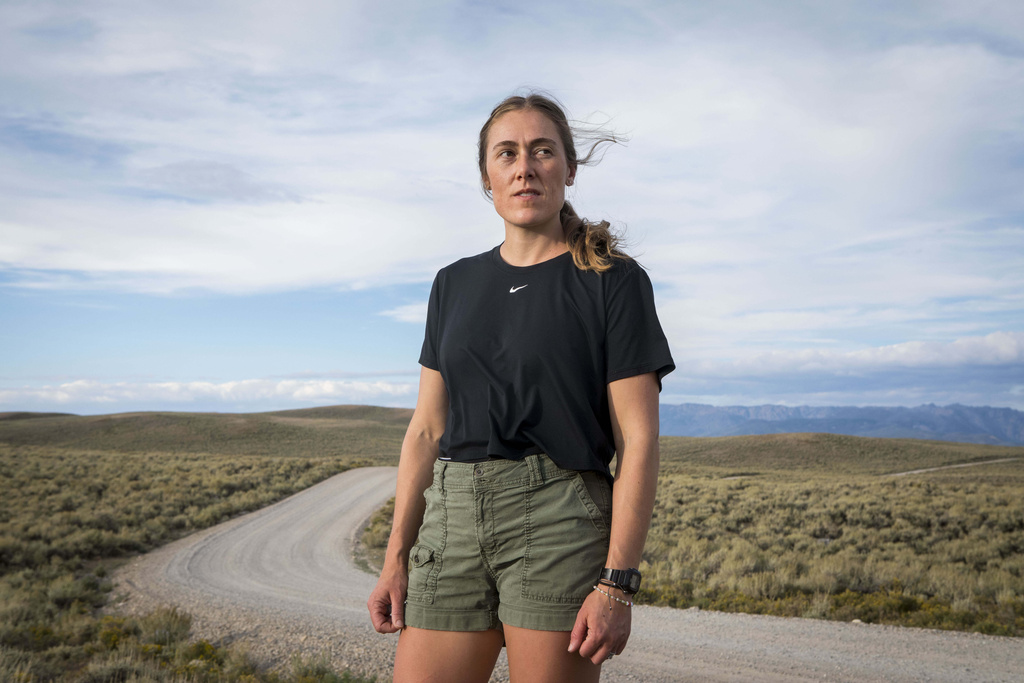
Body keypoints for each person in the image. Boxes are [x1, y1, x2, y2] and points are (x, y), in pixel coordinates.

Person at [368, 91, 674, 683]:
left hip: (558, 514)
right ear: (488, 175)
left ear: (569, 167)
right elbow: (427, 429)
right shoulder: (452, 284)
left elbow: (637, 439)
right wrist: (395, 557)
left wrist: (617, 583)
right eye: (506, 153)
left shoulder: (611, 281)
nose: (524, 167)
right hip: (451, 517)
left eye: (542, 151)